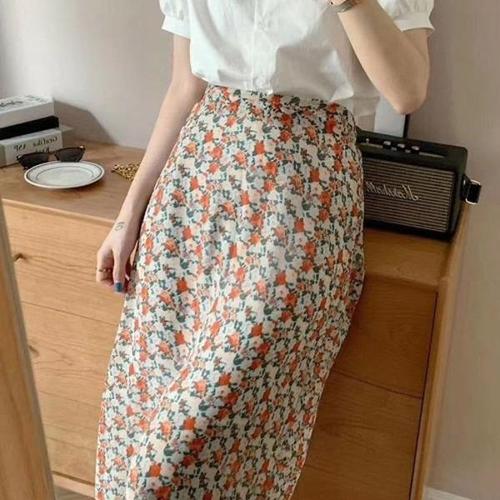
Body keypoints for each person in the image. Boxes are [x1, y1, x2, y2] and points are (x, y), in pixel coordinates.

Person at [94, 0, 434, 498]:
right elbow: (185, 87)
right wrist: (129, 217)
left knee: (173, 460)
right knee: (142, 410)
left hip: (300, 199)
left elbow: (407, 92)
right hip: (192, 195)